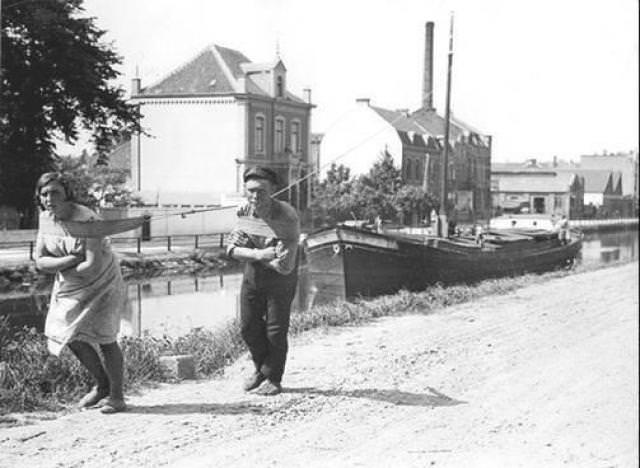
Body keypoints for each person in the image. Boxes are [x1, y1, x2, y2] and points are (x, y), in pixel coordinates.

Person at [34, 172, 127, 414]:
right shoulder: (45, 218)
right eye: (44, 193)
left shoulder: (87, 219)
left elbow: (92, 266)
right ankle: (102, 384)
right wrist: (71, 258)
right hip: (70, 283)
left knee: (105, 337)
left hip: (103, 282)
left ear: (67, 194)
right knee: (66, 333)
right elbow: (40, 261)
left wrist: (63, 264)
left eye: (55, 192)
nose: (49, 198)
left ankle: (117, 397)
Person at [227, 167, 300, 396]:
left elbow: (283, 265)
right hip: (254, 273)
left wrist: (248, 251)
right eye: (250, 191)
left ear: (273, 191)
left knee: (276, 331)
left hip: (281, 278)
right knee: (248, 327)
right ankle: (261, 369)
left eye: (261, 191)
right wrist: (259, 255)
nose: (255, 196)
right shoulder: (245, 212)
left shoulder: (287, 216)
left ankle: (274, 379)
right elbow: (230, 249)